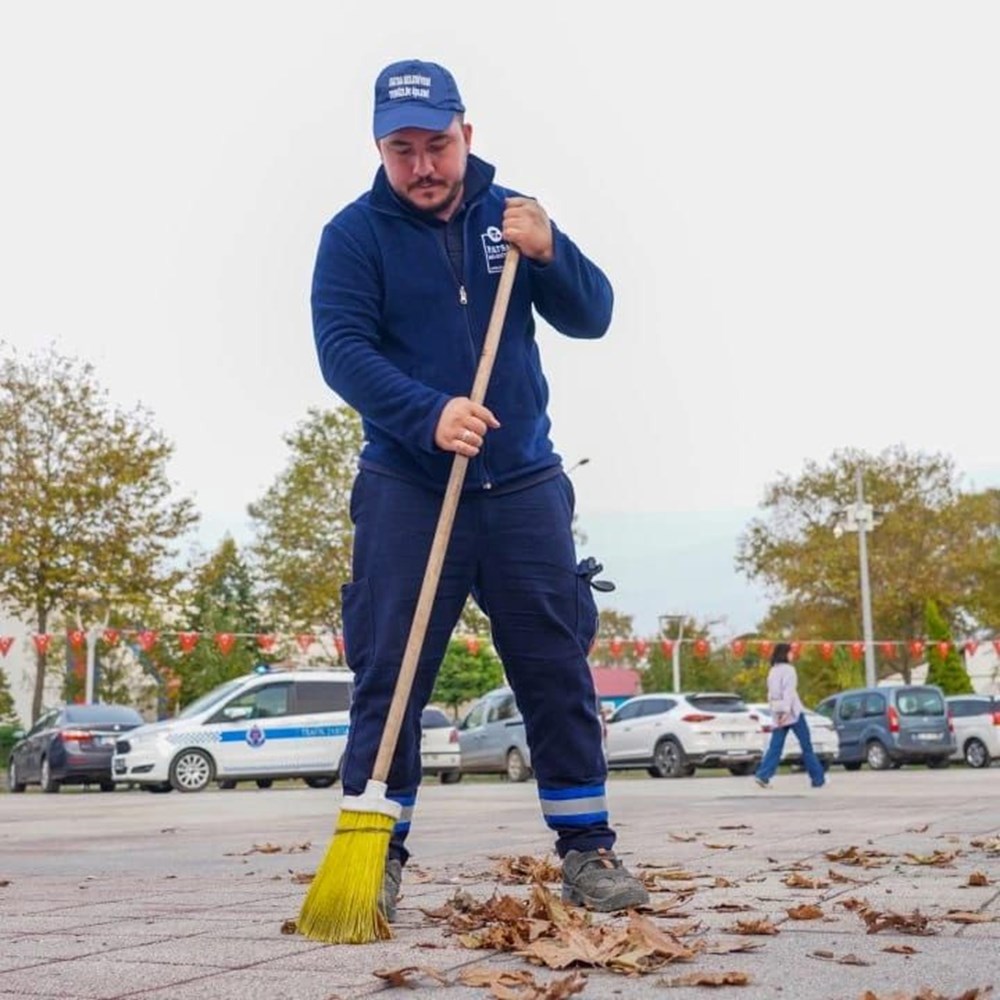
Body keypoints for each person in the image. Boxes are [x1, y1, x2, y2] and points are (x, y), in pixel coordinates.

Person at [310, 59, 649, 918]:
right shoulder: (353, 237)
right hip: (407, 483)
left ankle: (588, 849)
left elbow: (594, 313)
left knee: (553, 665)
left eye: (437, 145)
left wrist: (552, 250)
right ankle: (376, 853)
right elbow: (343, 351)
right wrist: (428, 414)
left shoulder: (514, 218)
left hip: (525, 481)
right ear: (379, 149)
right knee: (390, 671)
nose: (422, 166)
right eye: (402, 150)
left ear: (468, 133)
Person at [754, 643, 827, 789]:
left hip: (777, 712)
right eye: (791, 652)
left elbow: (772, 694)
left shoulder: (772, 671)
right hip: (793, 713)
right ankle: (818, 779)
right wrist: (786, 712)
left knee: (775, 746)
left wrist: (777, 713)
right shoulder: (789, 670)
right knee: (806, 746)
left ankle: (763, 775)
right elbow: (789, 692)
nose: (792, 655)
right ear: (785, 654)